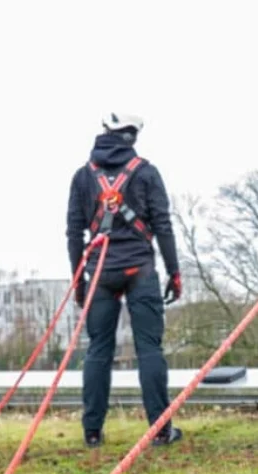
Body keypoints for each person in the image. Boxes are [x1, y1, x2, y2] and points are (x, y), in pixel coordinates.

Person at [66, 112, 183, 448]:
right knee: (149, 348)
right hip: (139, 269)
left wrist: (79, 280)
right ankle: (160, 430)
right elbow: (163, 225)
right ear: (132, 137)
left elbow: (74, 232)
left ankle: (92, 431)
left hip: (100, 273)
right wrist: (174, 273)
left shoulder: (83, 177)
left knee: (98, 350)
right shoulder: (145, 172)